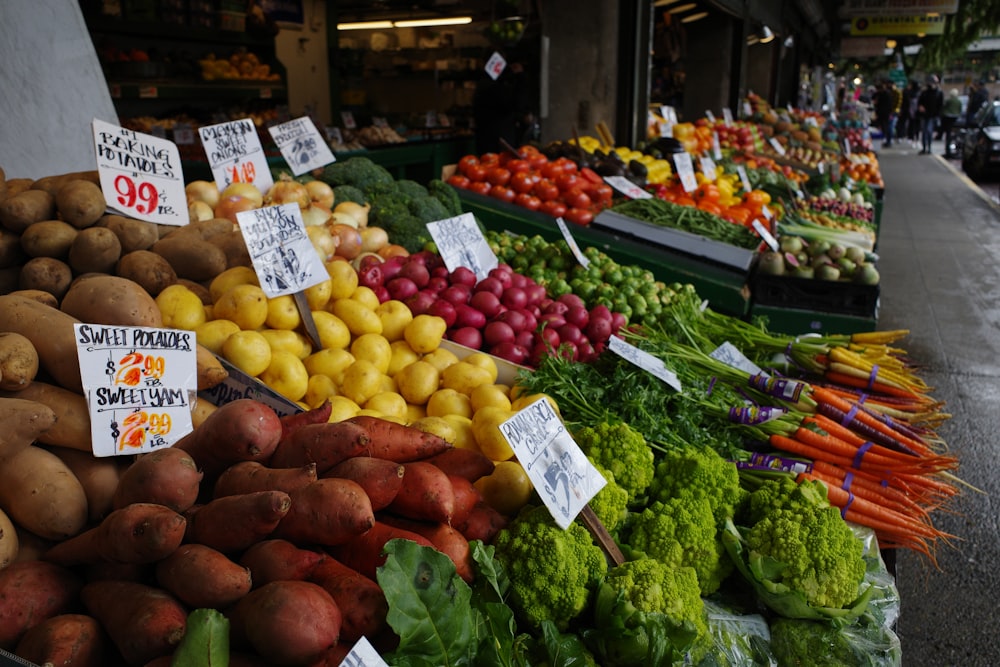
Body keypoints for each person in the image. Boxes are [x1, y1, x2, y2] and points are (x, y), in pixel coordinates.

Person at [917, 75, 943, 155]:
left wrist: (937, 115)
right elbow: (920, 102)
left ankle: (928, 147)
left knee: (928, 131)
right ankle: (925, 147)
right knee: (925, 132)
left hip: (932, 115)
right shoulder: (925, 92)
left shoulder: (938, 93)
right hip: (925, 115)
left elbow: (940, 105)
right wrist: (921, 107)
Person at [940, 89, 962, 157]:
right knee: (952, 134)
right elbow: (960, 109)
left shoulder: (949, 101)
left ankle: (948, 151)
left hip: (947, 118)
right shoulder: (958, 101)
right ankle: (951, 150)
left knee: (948, 134)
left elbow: (943, 107)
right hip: (955, 118)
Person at [873, 81, 895, 148]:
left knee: (886, 127)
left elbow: (886, 105)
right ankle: (886, 140)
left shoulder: (886, 94)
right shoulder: (881, 93)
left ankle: (887, 140)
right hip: (884, 113)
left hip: (885, 113)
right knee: (885, 127)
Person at [899, 80, 921, 146]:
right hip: (915, 111)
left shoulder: (907, 92)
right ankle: (914, 137)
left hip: (910, 111)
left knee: (910, 125)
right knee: (914, 125)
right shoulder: (919, 92)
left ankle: (910, 137)